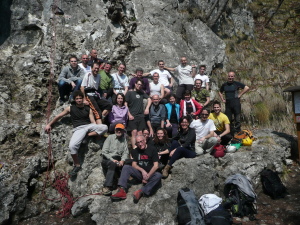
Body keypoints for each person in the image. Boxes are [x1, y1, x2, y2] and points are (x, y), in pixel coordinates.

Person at [44, 90, 108, 176]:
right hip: (79, 129)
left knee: (105, 127)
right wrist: (49, 124)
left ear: (82, 99)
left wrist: (97, 131)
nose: (79, 100)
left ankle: (88, 135)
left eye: (80, 98)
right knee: (72, 146)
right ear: (75, 99)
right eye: (77, 99)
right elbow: (59, 116)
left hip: (89, 126)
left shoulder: (88, 109)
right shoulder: (70, 108)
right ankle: (77, 165)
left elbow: (93, 121)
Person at [110, 135, 162, 203]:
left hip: (150, 174)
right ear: (136, 144)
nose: (140, 144)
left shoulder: (152, 149)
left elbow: (156, 166)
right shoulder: (135, 151)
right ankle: (122, 190)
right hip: (140, 174)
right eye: (138, 142)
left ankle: (141, 191)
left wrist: (148, 176)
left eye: (141, 141)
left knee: (158, 175)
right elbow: (134, 164)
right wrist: (142, 171)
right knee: (126, 167)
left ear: (145, 141)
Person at [101, 123, 129, 196]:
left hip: (119, 159)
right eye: (117, 129)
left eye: (120, 130)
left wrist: (122, 160)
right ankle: (107, 186)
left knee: (129, 163)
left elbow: (126, 152)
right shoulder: (110, 137)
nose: (119, 131)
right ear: (115, 130)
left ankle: (122, 186)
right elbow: (104, 151)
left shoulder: (124, 140)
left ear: (123, 131)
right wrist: (112, 159)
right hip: (108, 159)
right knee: (112, 164)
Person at [125, 79, 151, 147]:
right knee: (134, 132)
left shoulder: (142, 93)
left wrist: (147, 108)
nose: (139, 86)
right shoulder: (129, 93)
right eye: (138, 84)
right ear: (135, 84)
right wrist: (129, 114)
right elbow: (125, 104)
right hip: (132, 116)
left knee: (140, 133)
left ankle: (141, 147)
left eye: (141, 85)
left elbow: (149, 99)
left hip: (141, 116)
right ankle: (134, 148)